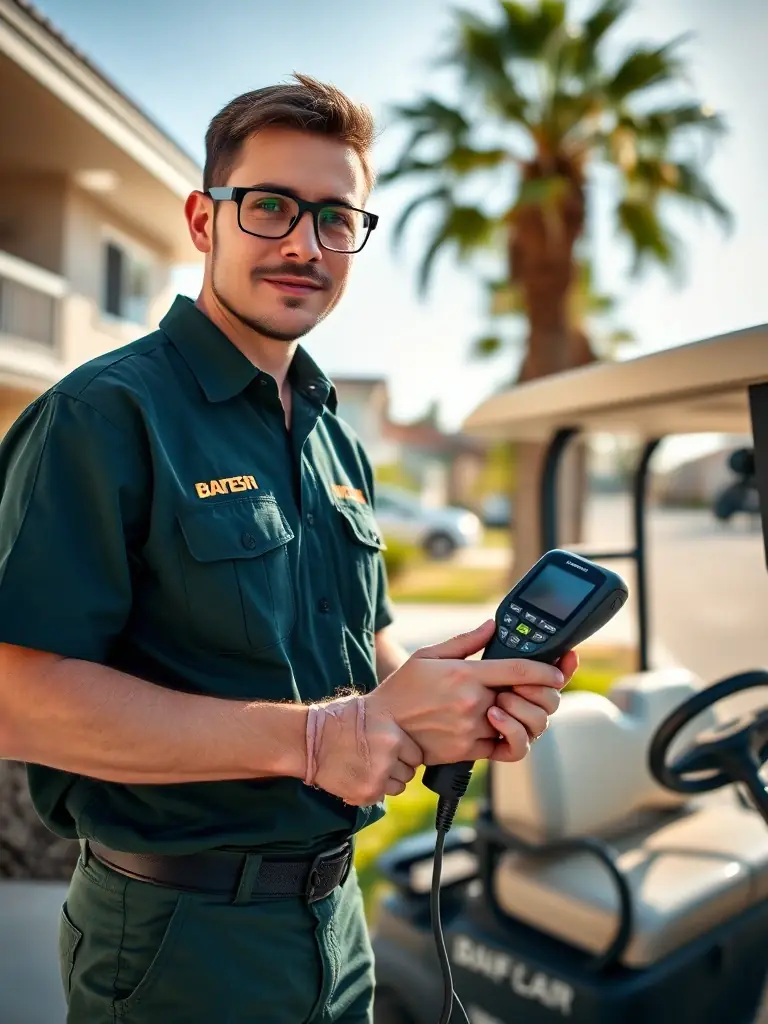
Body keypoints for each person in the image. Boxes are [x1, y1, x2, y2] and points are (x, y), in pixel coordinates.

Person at [0, 74, 577, 1023]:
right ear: (203, 219)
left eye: (335, 217)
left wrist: (448, 703)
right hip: (176, 939)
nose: (305, 243)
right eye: (270, 206)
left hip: (340, 920)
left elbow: (367, 652)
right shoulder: (101, 415)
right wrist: (314, 741)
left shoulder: (332, 435)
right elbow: (19, 700)